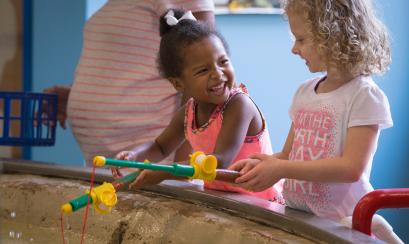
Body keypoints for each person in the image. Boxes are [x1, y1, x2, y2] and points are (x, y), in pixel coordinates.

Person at [229, 0, 402, 242]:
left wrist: (280, 169)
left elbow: (350, 168)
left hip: (345, 226)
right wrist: (261, 164)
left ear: (333, 36)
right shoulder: (304, 93)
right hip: (300, 218)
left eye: (301, 39)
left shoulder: (363, 96)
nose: (294, 49)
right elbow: (289, 155)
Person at [113, 8, 281, 201]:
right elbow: (160, 147)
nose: (218, 74)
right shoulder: (188, 113)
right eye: (203, 70)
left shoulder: (238, 105)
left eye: (223, 62)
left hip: (261, 204)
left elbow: (219, 162)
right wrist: (133, 156)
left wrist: (165, 172)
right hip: (224, 202)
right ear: (178, 83)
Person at [44, 0, 215, 165]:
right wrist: (79, 95)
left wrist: (181, 171)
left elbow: (203, 78)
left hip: (153, 162)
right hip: (112, 163)